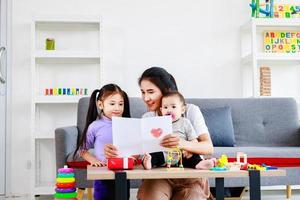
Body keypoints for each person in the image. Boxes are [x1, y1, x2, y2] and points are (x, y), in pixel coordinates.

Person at [104, 67, 214, 200]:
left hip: (189, 175)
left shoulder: (190, 110)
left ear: (166, 90)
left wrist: (183, 144)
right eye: (143, 92)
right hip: (157, 175)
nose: (146, 98)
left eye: (150, 92)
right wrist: (115, 152)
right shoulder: (148, 117)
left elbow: (208, 148)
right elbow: (135, 152)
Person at [73, 83, 131, 200]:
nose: (117, 108)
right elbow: (82, 149)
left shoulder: (127, 124)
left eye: (121, 104)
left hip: (123, 172)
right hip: (103, 172)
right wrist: (93, 160)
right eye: (112, 103)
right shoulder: (95, 126)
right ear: (100, 104)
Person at [143, 91, 216, 170]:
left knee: (193, 156)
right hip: (164, 154)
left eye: (173, 107)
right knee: (152, 154)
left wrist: (190, 149)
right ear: (161, 110)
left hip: (182, 154)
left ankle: (200, 164)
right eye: (165, 107)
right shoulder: (160, 122)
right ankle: (148, 163)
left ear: (182, 110)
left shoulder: (185, 122)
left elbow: (193, 140)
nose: (169, 110)